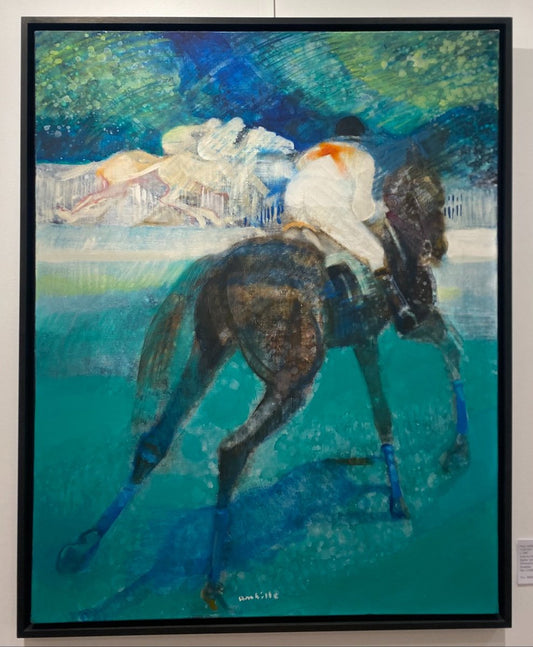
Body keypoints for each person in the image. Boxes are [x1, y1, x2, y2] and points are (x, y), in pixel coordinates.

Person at [283, 116, 417, 333]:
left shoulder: (314, 151)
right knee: (375, 253)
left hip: (293, 200)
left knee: (320, 243)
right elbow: (361, 209)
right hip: (326, 205)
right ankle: (400, 309)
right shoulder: (363, 158)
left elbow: (305, 176)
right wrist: (377, 212)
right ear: (360, 137)